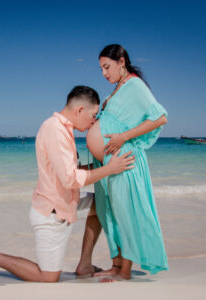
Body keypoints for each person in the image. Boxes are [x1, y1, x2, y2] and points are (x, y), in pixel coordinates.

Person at [0, 85, 135, 282]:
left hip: (68, 202)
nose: (94, 121)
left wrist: (104, 163)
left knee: (101, 204)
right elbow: (70, 179)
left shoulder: (64, 129)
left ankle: (85, 264)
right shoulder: (54, 129)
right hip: (52, 214)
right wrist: (110, 169)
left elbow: (68, 171)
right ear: (79, 110)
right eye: (93, 115)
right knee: (48, 277)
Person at [86, 44, 169, 281]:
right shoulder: (118, 89)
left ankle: (125, 272)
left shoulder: (134, 85)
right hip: (107, 163)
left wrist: (123, 136)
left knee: (125, 212)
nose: (104, 73)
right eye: (101, 68)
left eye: (107, 67)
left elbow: (160, 117)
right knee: (109, 213)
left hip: (124, 158)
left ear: (121, 62)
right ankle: (117, 264)